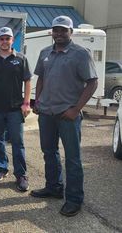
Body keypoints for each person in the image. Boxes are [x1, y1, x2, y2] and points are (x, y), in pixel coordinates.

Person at [30, 16, 98, 217]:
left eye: (63, 30)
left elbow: (92, 82)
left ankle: (74, 199)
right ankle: (53, 187)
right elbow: (41, 77)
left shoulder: (80, 54)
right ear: (52, 31)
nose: (59, 34)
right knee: (49, 151)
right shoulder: (45, 53)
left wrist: (76, 109)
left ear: (71, 32)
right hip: (47, 114)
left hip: (68, 115)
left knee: (73, 159)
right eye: (56, 30)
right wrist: (38, 101)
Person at [0, 26, 32, 192]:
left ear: (12, 40)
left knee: (18, 142)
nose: (4, 42)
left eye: (7, 39)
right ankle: (2, 168)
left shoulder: (21, 59)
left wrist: (26, 103)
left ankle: (21, 175)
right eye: (1, 39)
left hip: (15, 109)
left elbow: (28, 81)